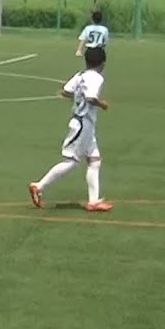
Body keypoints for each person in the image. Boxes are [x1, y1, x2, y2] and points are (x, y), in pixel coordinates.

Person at [28, 46, 113, 212]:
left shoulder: (80, 75)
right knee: (71, 162)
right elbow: (91, 97)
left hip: (84, 124)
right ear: (102, 63)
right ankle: (38, 186)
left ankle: (93, 201)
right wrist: (102, 104)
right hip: (83, 125)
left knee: (95, 159)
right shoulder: (96, 77)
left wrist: (77, 97)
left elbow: (65, 91)